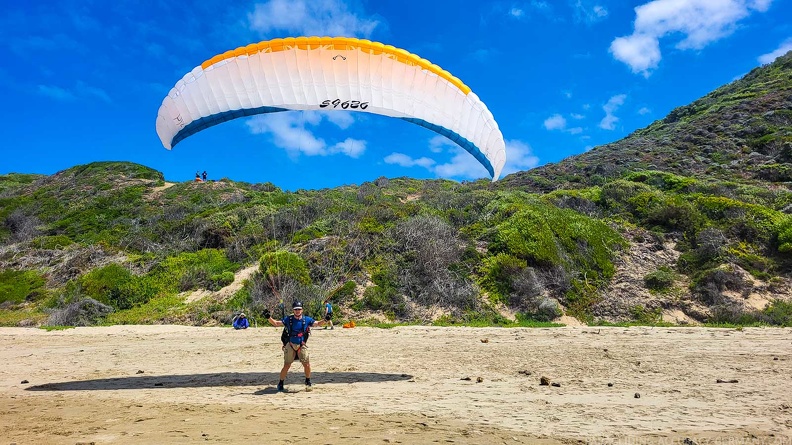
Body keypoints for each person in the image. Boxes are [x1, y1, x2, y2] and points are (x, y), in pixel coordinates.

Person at [267, 300, 326, 391]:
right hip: (290, 344)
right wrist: (268, 317)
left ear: (302, 310)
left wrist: (326, 320)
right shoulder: (288, 319)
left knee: (307, 364)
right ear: (293, 310)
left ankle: (308, 381)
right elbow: (276, 323)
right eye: (295, 309)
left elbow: (317, 324)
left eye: (299, 309)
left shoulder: (307, 320)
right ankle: (281, 382)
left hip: (301, 344)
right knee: (287, 365)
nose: (297, 311)